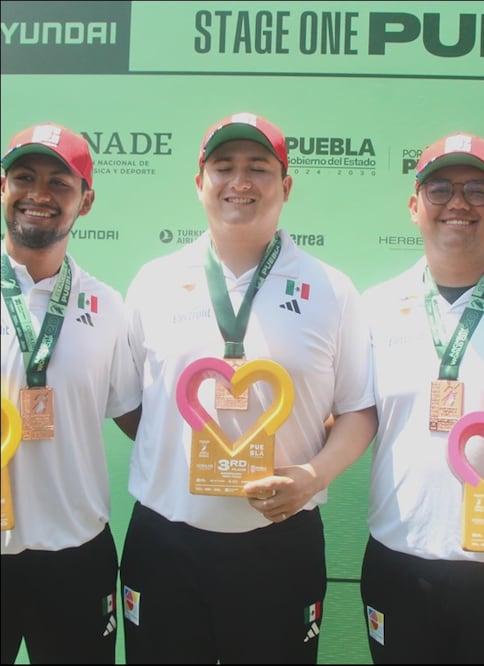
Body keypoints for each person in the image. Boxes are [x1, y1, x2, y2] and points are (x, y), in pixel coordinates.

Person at [117, 112, 378, 664]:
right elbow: (129, 404)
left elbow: (358, 410)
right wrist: (177, 455)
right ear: (199, 183)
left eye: (258, 168)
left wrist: (313, 475)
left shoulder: (332, 290)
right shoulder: (153, 282)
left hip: (280, 542)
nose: (240, 181)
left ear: (284, 187)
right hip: (167, 538)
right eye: (223, 167)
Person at [357, 132, 484, 663]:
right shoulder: (375, 306)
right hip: (400, 561)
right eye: (439, 189)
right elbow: (352, 420)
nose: (458, 203)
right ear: (415, 206)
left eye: (479, 191)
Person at [1, 123, 142, 664]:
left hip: (76, 553)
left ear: (86, 200)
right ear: (3, 188)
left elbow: (136, 416)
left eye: (59, 183)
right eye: (24, 178)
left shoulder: (108, 305)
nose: (38, 195)